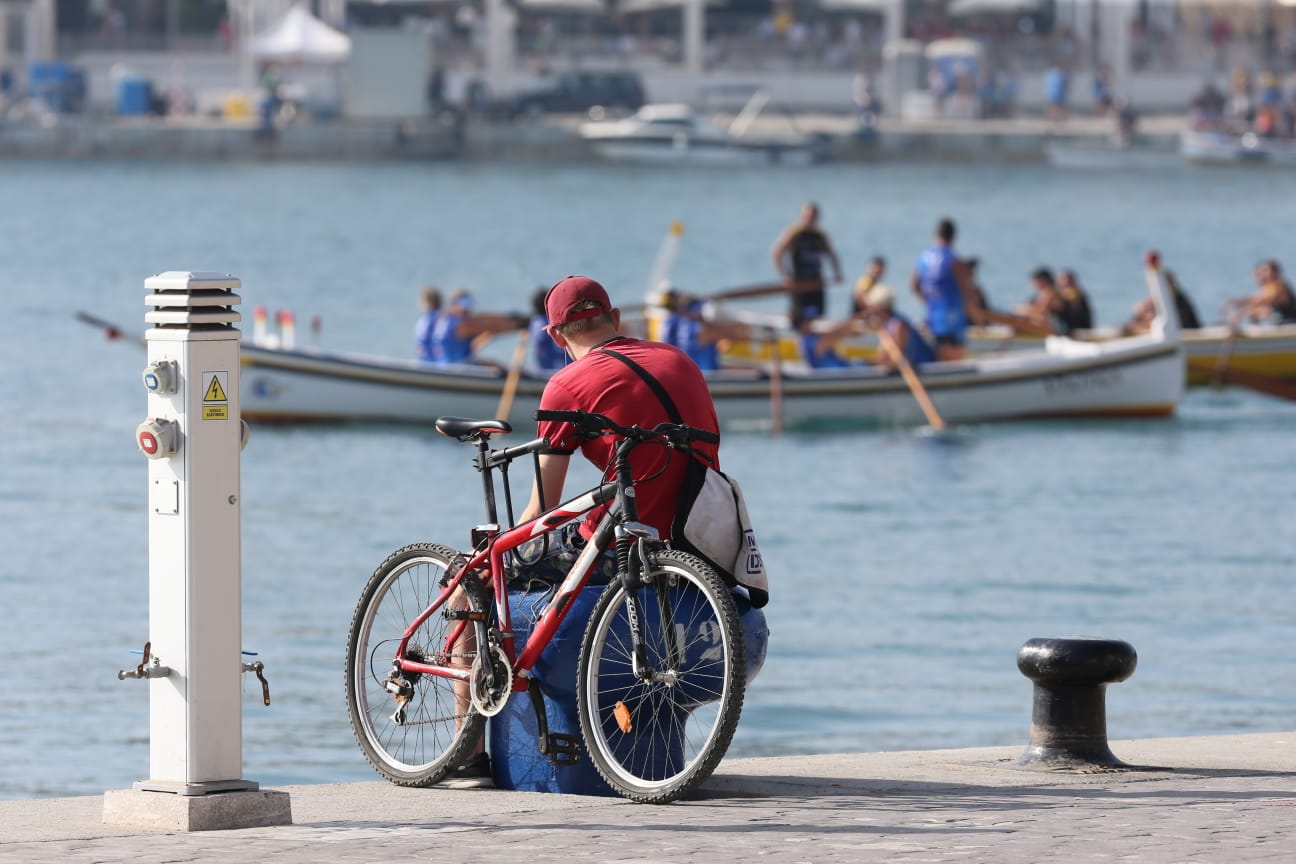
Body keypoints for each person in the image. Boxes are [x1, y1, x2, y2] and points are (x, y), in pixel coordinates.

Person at [910, 218, 980, 361]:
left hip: (933, 319)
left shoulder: (923, 258)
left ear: (935, 235)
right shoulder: (953, 260)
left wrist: (929, 301)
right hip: (953, 322)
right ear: (954, 237)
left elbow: (913, 285)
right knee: (954, 363)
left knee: (940, 358)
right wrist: (977, 317)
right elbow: (967, 291)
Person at [770, 201, 844, 329]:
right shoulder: (794, 233)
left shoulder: (820, 235)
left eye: (813, 215)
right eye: (807, 215)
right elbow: (776, 253)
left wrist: (837, 273)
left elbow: (832, 255)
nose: (810, 218)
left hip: (816, 282)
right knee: (798, 317)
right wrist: (784, 276)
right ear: (802, 216)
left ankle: (815, 344)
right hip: (799, 283)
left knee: (818, 315)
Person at [658, 286, 748, 373]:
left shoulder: (679, 325)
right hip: (705, 377)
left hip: (690, 372)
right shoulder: (702, 330)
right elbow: (739, 333)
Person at [427, 289, 527, 366]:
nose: (467, 310)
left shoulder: (444, 320)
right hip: (457, 367)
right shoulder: (458, 325)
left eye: (469, 305)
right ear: (454, 304)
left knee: (492, 364)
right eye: (464, 305)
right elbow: (487, 325)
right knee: (497, 367)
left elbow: (479, 335)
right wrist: (518, 324)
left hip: (450, 364)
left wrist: (489, 335)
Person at [860, 283, 935, 371]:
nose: (869, 310)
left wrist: (870, 360)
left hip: (923, 368)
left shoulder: (898, 326)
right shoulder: (885, 324)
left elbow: (896, 361)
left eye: (871, 307)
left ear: (881, 308)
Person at [1123, 269, 1201, 335]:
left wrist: (1150, 323)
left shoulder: (1181, 302)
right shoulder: (1154, 302)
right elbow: (1133, 323)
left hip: (1186, 334)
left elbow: (1179, 325)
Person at [1225, 260, 1296, 324]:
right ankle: (1255, 329)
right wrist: (1234, 302)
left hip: (1289, 321)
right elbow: (1253, 299)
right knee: (1256, 311)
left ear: (1276, 273)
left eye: (1265, 271)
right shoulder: (1268, 288)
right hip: (1281, 319)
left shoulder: (1279, 286)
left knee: (1257, 311)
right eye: (1259, 273)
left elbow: (1260, 301)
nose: (1262, 275)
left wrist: (1239, 315)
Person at [527, 287, 568, 372]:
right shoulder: (550, 323)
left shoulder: (534, 322)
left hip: (543, 369)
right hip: (559, 369)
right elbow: (561, 349)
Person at [414, 286, 442, 363]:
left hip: (430, 361)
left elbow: (423, 340)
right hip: (433, 361)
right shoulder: (440, 317)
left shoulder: (430, 318)